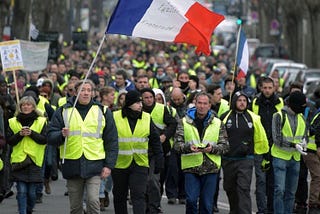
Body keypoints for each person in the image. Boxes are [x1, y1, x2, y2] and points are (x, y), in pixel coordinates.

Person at [48, 79, 119, 214]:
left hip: (95, 164)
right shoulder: (63, 111)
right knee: (75, 207)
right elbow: (50, 136)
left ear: (93, 93)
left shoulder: (103, 111)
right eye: (82, 90)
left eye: (88, 90)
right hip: (71, 163)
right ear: (75, 92)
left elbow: (112, 141)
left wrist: (109, 165)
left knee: (93, 200)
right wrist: (61, 135)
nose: (86, 93)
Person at [174, 92, 229, 214]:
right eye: (199, 103)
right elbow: (177, 145)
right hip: (191, 167)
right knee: (191, 200)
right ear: (195, 103)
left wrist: (212, 149)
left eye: (205, 103)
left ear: (209, 106)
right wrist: (188, 147)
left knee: (206, 203)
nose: (202, 106)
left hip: (211, 167)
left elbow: (225, 146)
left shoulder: (218, 123)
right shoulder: (184, 122)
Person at [111, 90, 164, 214]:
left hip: (140, 163)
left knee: (139, 195)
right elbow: (108, 139)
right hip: (119, 163)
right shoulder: (115, 116)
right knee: (119, 195)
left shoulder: (146, 117)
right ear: (129, 103)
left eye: (141, 102)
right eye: (137, 102)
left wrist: (159, 160)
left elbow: (155, 140)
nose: (140, 105)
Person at [221, 91, 269, 213]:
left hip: (246, 159)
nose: (242, 103)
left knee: (243, 188)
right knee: (230, 188)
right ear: (234, 102)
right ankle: (234, 211)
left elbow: (261, 138)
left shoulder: (254, 118)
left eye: (244, 100)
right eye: (239, 100)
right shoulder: (225, 117)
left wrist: (264, 156)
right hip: (228, 159)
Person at [7, 96, 47, 214]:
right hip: (19, 161)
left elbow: (44, 139)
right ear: (20, 107)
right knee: (22, 191)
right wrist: (19, 134)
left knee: (31, 193)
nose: (26, 107)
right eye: (23, 105)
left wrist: (31, 133)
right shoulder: (12, 121)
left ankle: (29, 209)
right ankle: (22, 212)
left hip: (34, 161)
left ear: (33, 107)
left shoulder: (41, 121)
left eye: (28, 105)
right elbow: (10, 141)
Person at [140, 88, 177, 212]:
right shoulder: (138, 109)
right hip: (141, 151)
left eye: (151, 97)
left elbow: (173, 124)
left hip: (157, 152)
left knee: (154, 180)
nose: (149, 100)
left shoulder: (162, 109)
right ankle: (145, 205)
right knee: (143, 182)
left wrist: (165, 136)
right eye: (146, 98)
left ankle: (154, 207)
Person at [250, 77, 284, 213]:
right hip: (259, 147)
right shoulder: (255, 103)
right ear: (260, 88)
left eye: (270, 87)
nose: (267, 90)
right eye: (265, 88)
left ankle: (271, 208)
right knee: (261, 181)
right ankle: (262, 209)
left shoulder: (280, 102)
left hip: (276, 147)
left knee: (273, 181)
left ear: (274, 88)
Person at [271, 91, 308, 214]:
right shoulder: (279, 116)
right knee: (279, 191)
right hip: (280, 157)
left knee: (291, 193)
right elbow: (277, 138)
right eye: (302, 106)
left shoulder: (302, 117)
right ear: (294, 104)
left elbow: (304, 135)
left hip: (295, 159)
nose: (303, 109)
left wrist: (304, 143)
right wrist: (293, 144)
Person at [305, 110, 320, 213]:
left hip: (314, 148)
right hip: (312, 149)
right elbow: (318, 130)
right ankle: (313, 204)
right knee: (317, 176)